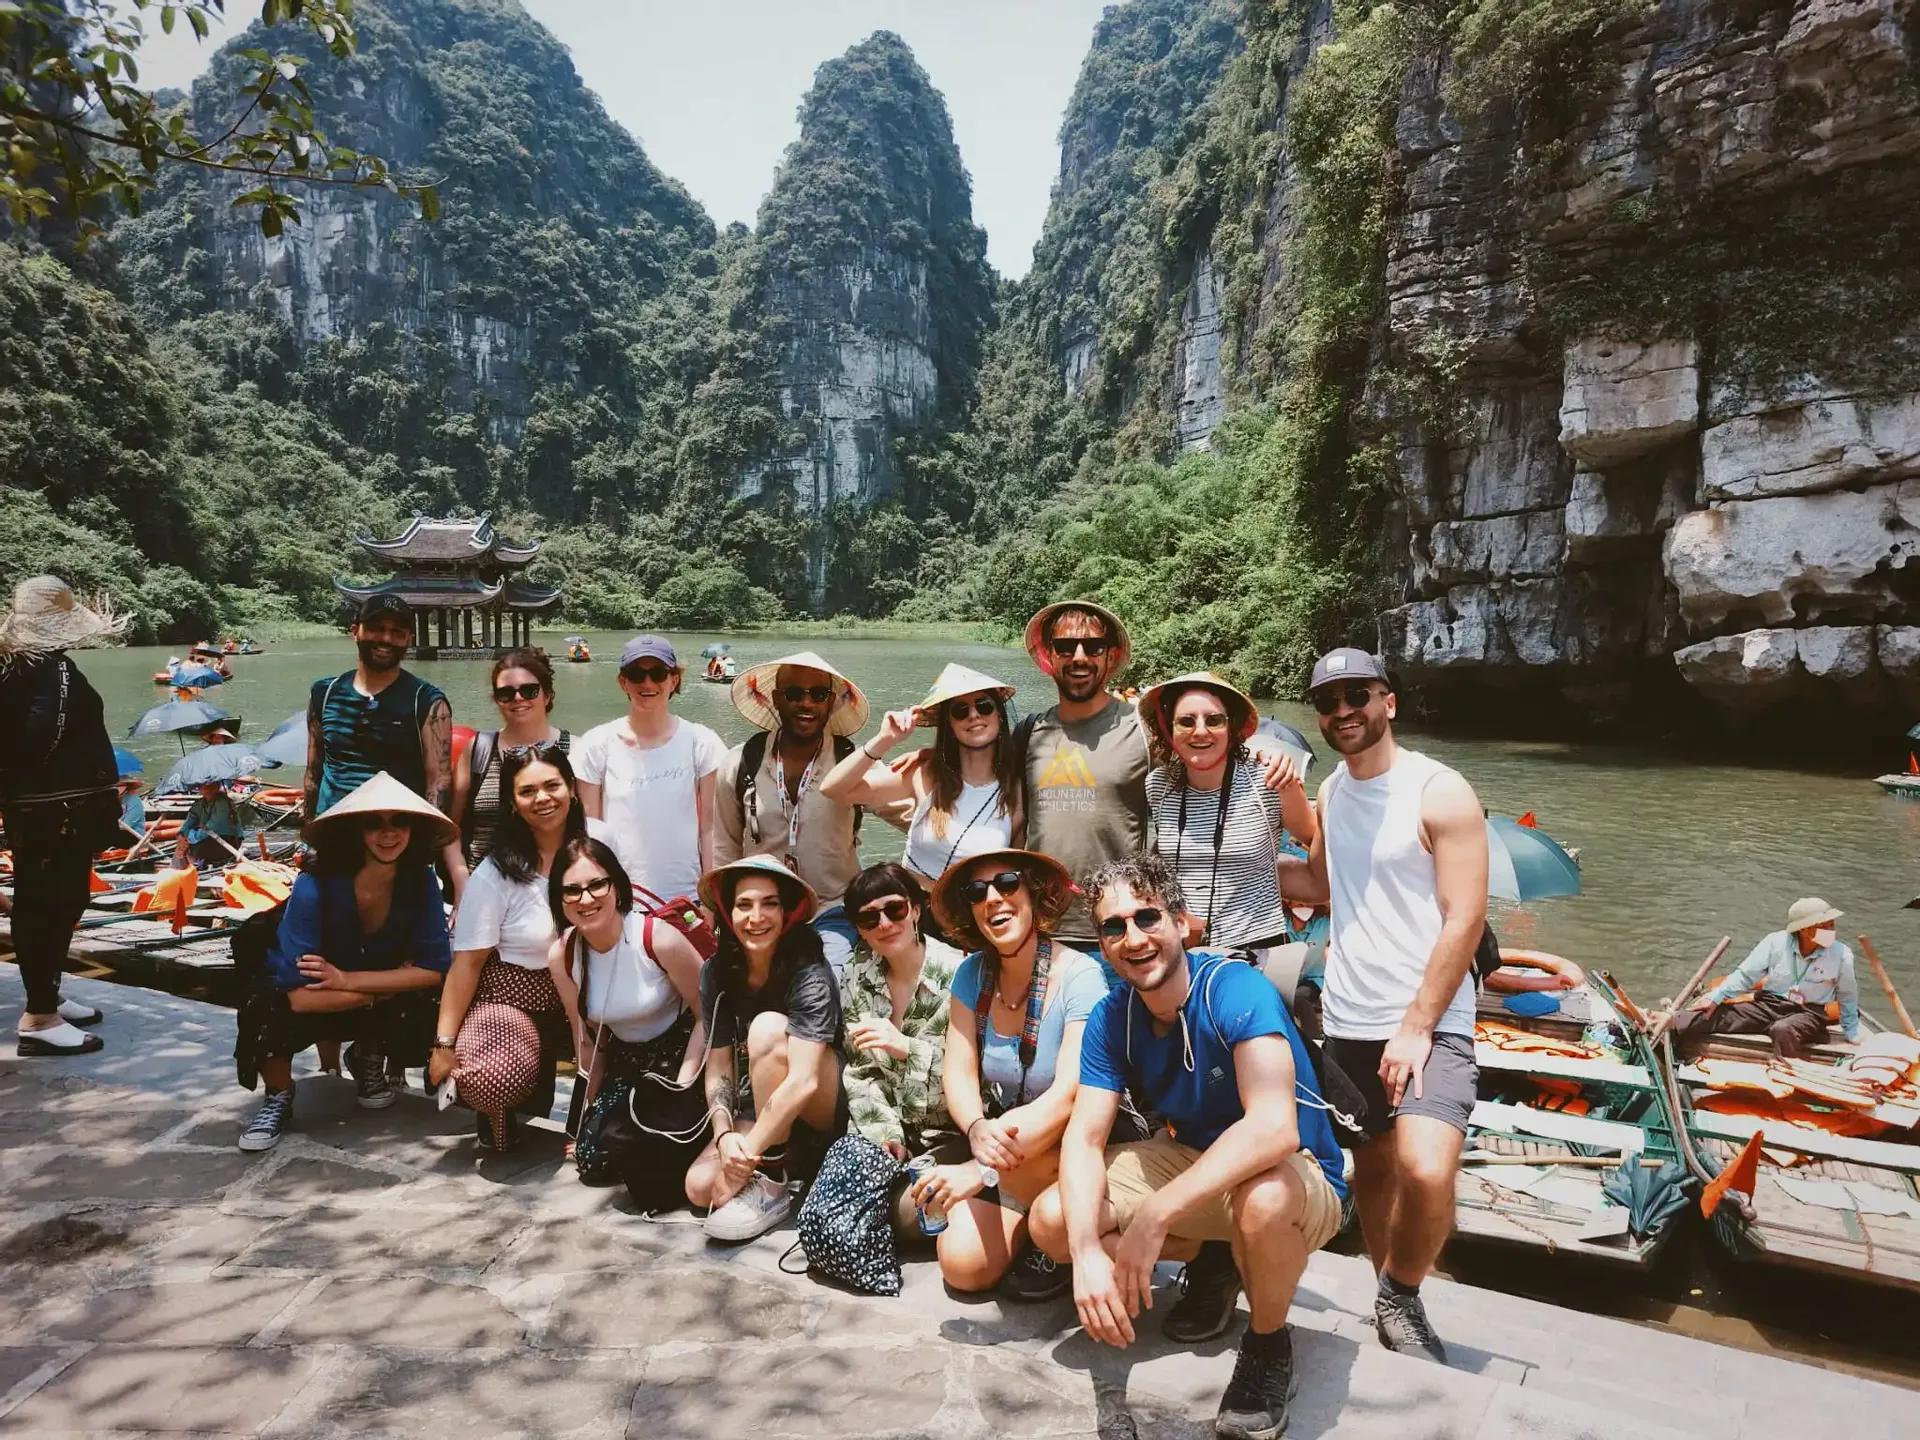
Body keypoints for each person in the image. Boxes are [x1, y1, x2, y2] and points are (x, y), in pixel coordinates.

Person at [1027, 854, 1348, 1440]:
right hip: (1194, 1160)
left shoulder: (1233, 988)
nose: (1133, 938)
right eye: (1114, 926)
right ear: (1103, 945)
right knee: (1053, 1220)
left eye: (1147, 917)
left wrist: (1155, 1215)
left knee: (1263, 1199)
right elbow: (1084, 1137)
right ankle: (1213, 1258)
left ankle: (1268, 1348)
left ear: (1182, 923)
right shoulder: (1113, 1016)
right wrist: (1088, 1252)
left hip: (1295, 1172)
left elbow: (1274, 1128)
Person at [1289, 646, 1487, 1364]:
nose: (1343, 712)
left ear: (1388, 702)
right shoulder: (1334, 791)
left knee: (1428, 1171)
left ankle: (1402, 1292)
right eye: (1329, 702)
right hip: (1348, 1015)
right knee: (1372, 1166)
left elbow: (1465, 917)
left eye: (1358, 697)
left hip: (1429, 1021)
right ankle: (1386, 1295)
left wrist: (1416, 1027)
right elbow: (1320, 884)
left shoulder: (1440, 791)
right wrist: (1224, 866)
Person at [912, 849, 1108, 1299]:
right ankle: (1030, 1228)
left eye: (1007, 883)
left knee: (1041, 1200)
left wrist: (980, 1168)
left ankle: (1052, 1234)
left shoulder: (1082, 977)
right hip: (1009, 1144)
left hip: (1072, 1143)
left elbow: (1069, 1095)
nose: (993, 899)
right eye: (976, 892)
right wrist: (975, 1127)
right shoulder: (972, 975)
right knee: (963, 1267)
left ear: (1033, 892)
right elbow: (958, 1072)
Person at [233, 772, 454, 1150]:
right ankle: (279, 1093)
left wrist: (347, 980)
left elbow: (435, 969)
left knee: (434, 1000)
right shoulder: (314, 884)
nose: (389, 834)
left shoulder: (420, 881)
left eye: (400, 821)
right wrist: (382, 988)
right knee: (266, 1001)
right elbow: (298, 994)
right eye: (374, 823)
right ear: (354, 831)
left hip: (345, 984)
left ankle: (368, 1053)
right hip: (311, 993)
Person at [685, 856, 847, 1241]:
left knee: (767, 1029)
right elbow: (719, 1065)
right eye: (744, 905)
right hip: (764, 1101)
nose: (756, 917)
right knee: (700, 1188)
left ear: (787, 911)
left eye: (769, 904)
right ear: (728, 912)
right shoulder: (717, 971)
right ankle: (787, 1163)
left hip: (821, 1103)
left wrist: (748, 1156)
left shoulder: (809, 971)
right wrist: (725, 1137)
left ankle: (772, 1180)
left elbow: (805, 1080)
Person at [431, 744, 584, 1151]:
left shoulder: (599, 847)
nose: (543, 798)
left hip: (588, 992)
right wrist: (444, 1044)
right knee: (492, 1077)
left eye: (552, 785)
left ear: (572, 788)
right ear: (513, 804)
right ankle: (497, 1115)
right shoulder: (495, 872)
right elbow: (467, 964)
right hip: (515, 996)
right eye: (527, 791)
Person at [0, 576, 124, 1055]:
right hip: (57, 813)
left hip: (44, 811)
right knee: (50, 905)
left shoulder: (21, 666)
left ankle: (47, 994)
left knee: (54, 901)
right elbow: (40, 737)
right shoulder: (49, 669)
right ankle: (39, 1017)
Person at [546, 835, 708, 1202]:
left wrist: (682, 1087)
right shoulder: (563, 955)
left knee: (663, 1148)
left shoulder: (657, 938)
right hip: (628, 1061)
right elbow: (586, 1040)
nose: (586, 899)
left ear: (617, 886)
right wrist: (584, 1116)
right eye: (571, 890)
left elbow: (708, 1014)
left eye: (597, 885)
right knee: (593, 1159)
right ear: (559, 899)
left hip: (683, 1054)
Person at [716, 651, 885, 976]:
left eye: (818, 694)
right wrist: (723, 917)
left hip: (832, 906)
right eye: (794, 694)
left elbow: (909, 812)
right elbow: (724, 847)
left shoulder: (853, 763)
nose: (806, 703)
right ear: (776, 699)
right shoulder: (741, 763)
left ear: (831, 702)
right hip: (761, 911)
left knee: (828, 979)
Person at [1139, 672, 1315, 952]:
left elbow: (1316, 841)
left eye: (1214, 720)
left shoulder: (1269, 780)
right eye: (1186, 721)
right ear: (1169, 729)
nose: (1200, 731)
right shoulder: (1159, 785)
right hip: (1183, 948)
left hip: (1256, 948)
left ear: (1231, 727)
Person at [305, 593, 460, 898]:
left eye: (397, 632)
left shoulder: (426, 701)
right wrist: (310, 832)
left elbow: (438, 781)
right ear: (355, 631)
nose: (386, 639)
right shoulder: (325, 693)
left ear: (409, 639)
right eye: (376, 628)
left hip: (397, 845)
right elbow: (314, 770)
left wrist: (424, 852)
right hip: (334, 839)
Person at [1018, 602, 1149, 953]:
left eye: (1093, 647)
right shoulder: (1029, 732)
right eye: (1065, 647)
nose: (1079, 657)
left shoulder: (1143, 729)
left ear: (1111, 656)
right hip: (1042, 930)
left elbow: (1202, 769)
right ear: (1049, 656)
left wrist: (1265, 754)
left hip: (1122, 929)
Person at [820, 663, 1023, 887]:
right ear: (949, 724)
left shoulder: (1015, 791)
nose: (974, 715)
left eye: (984, 706)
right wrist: (884, 740)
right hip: (917, 904)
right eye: (960, 710)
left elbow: (1015, 872)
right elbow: (833, 789)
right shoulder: (924, 774)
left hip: (978, 904)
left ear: (999, 714)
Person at [574, 635, 724, 905]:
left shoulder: (702, 742)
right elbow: (590, 833)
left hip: (687, 900)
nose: (647, 683)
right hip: (619, 900)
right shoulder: (596, 744)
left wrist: (711, 901)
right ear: (623, 682)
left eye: (658, 673)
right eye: (636, 674)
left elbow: (710, 829)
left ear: (674, 680)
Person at [837, 863, 965, 1170]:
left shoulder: (960, 974)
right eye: (869, 918)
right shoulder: (856, 975)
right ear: (860, 930)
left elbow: (975, 1081)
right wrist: (885, 1136)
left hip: (955, 1134)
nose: (884, 924)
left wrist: (909, 1049)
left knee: (913, 1197)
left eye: (895, 910)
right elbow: (862, 1071)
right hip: (883, 1129)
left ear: (916, 911)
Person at [1670, 898, 1861, 1057]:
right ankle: (1666, 1026)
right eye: (1823, 926)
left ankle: (1786, 1071)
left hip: (1809, 1013)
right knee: (1711, 1015)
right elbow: (1745, 975)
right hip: (1769, 1004)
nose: (1831, 931)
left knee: (1782, 1029)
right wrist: (1715, 998)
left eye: (1832, 925)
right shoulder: (1775, 942)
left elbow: (1848, 994)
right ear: (1803, 929)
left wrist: (1851, 1031)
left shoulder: (1842, 954)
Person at [450, 648, 572, 881]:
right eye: (506, 693)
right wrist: (461, 881)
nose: (518, 698)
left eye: (529, 691)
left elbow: (588, 828)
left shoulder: (574, 750)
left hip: (556, 885)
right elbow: (451, 828)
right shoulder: (479, 749)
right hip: (481, 883)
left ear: (547, 695)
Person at [173, 779, 243, 869]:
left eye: (211, 785)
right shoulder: (198, 804)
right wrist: (182, 836)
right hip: (205, 839)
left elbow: (212, 827)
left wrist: (189, 838)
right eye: (204, 786)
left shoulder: (223, 803)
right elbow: (188, 824)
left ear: (217, 786)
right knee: (182, 846)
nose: (207, 789)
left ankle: (195, 865)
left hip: (227, 840)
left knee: (194, 845)